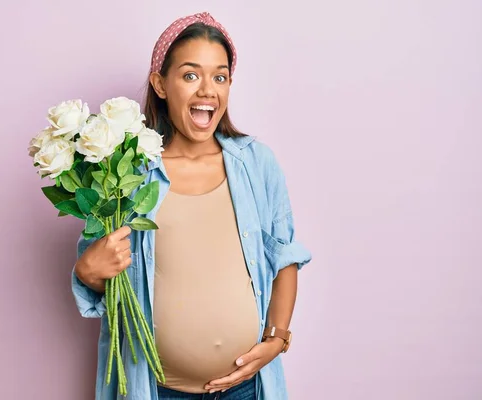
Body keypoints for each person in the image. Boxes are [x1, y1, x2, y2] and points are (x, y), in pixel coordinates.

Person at [72, 11, 312, 400]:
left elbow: (284, 256)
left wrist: (277, 338)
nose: (207, 90)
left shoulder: (256, 163)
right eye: (190, 75)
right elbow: (103, 276)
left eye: (219, 76)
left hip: (246, 388)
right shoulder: (127, 174)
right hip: (156, 389)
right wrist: (87, 271)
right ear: (160, 84)